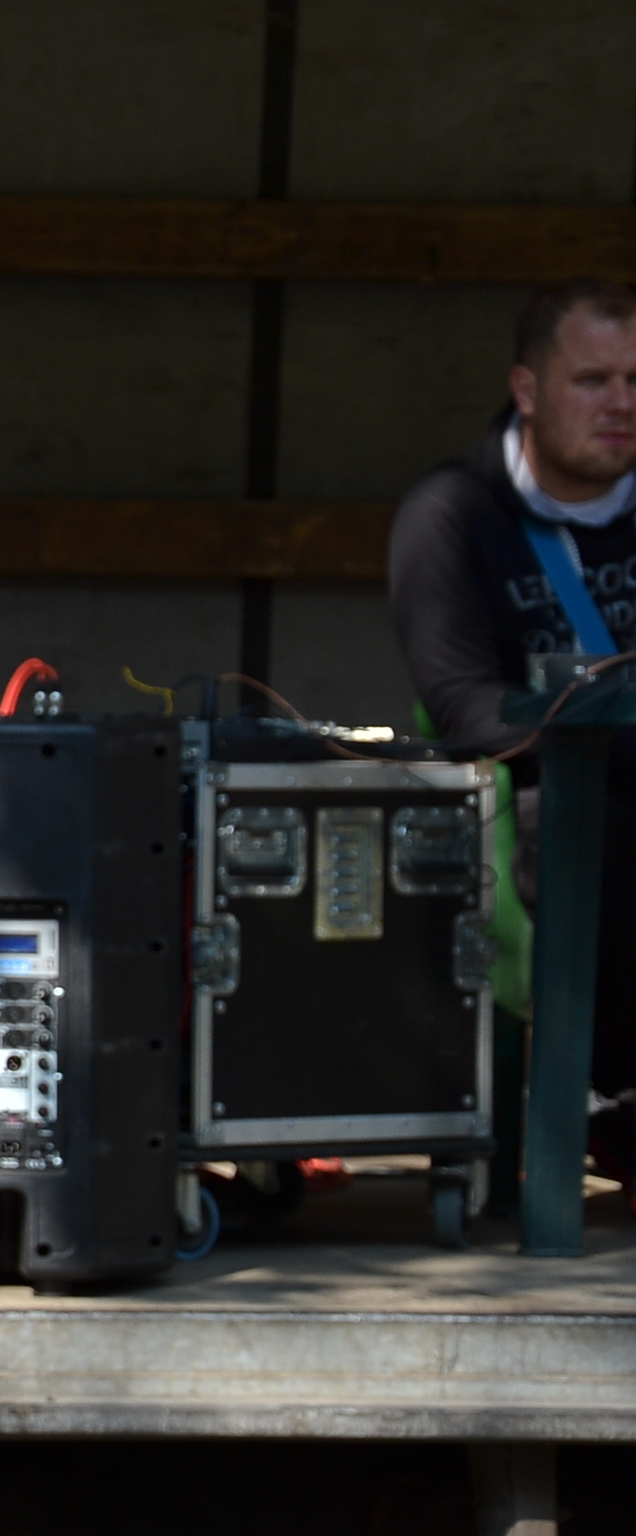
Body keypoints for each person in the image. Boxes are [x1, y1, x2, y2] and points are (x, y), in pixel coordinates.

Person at [389, 276, 636, 1128]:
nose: (621, 404)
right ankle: (614, 1098)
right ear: (527, 389)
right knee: (601, 839)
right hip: (548, 798)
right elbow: (467, 713)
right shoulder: (452, 514)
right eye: (593, 380)